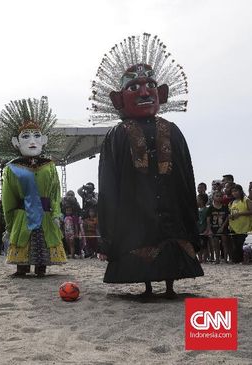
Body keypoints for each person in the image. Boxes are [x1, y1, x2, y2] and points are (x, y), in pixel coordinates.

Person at [90, 33, 203, 297]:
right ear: (119, 99)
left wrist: (189, 213)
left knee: (171, 238)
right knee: (141, 238)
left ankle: (171, 285)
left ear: (161, 94)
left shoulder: (172, 130)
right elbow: (108, 182)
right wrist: (110, 226)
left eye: (150, 85)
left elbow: (186, 174)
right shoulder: (117, 135)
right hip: (134, 207)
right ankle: (148, 286)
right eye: (133, 87)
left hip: (172, 203)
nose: (144, 92)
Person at [0, 97, 67, 277]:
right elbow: (8, 199)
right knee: (22, 239)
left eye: (36, 135)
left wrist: (57, 213)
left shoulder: (49, 166)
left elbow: (55, 192)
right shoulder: (12, 168)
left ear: (44, 140)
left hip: (45, 214)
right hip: (22, 215)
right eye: (25, 136)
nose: (32, 141)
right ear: (16, 142)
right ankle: (22, 267)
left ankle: (41, 268)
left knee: (43, 241)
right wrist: (10, 222)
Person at [227, 184, 252, 263]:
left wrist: (240, 214)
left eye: (236, 191)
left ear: (241, 191)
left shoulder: (246, 200)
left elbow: (251, 211)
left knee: (241, 244)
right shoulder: (232, 202)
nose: (234, 193)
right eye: (233, 191)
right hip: (234, 227)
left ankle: (242, 260)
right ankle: (236, 260)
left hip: (245, 227)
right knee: (235, 245)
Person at [206, 191, 229, 264]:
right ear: (213, 197)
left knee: (225, 244)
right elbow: (208, 220)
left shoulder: (225, 207)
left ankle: (225, 259)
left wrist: (222, 227)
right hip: (214, 228)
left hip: (223, 228)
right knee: (216, 245)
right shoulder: (210, 208)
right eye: (217, 196)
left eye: (220, 196)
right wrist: (209, 229)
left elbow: (227, 218)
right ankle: (217, 260)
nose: (218, 197)